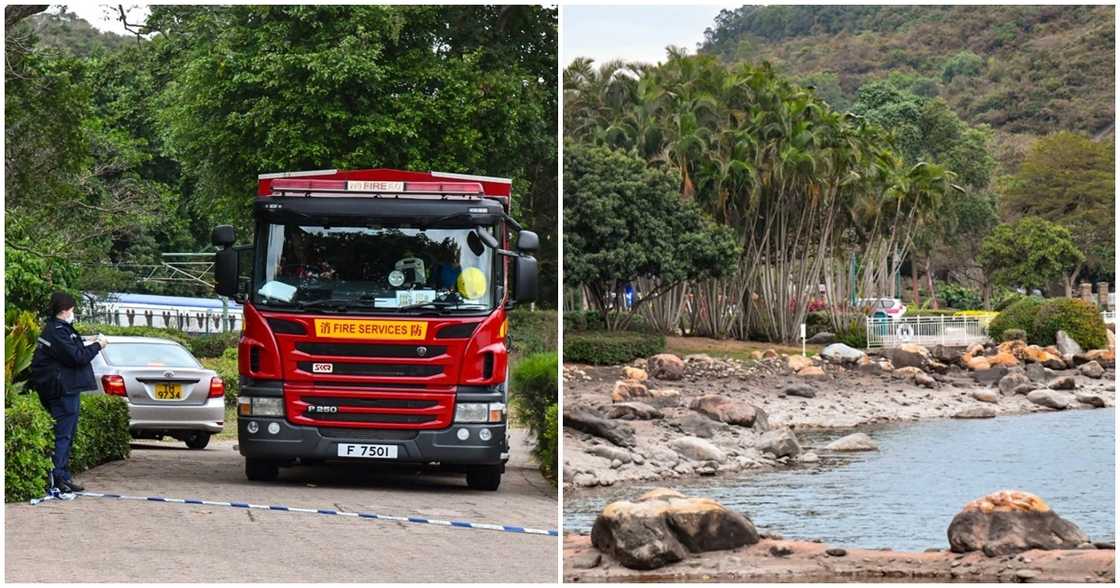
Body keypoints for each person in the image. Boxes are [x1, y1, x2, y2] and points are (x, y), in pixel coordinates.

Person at [28, 292, 109, 493]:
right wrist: (98, 345)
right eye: (72, 310)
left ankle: (63, 476)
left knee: (67, 434)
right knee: (63, 435)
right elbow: (77, 357)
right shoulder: (57, 331)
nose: (73, 313)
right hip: (63, 390)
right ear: (65, 310)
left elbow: (71, 347)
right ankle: (58, 479)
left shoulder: (56, 329)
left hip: (65, 388)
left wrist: (88, 340)